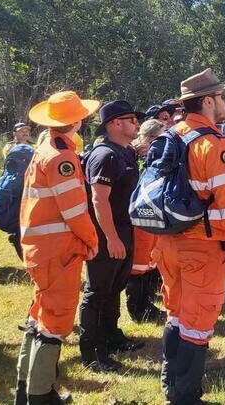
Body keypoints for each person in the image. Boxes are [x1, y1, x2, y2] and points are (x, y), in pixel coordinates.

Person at [155, 68, 225, 404]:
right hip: (201, 248)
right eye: (222, 97)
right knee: (199, 321)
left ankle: (170, 382)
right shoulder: (214, 146)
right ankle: (185, 396)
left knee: (177, 311)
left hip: (168, 242)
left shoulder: (173, 136)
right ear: (207, 101)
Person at [15, 91, 100, 405]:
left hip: (42, 249)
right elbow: (75, 210)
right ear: (75, 121)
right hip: (57, 252)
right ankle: (40, 396)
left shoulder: (45, 147)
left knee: (40, 317)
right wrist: (91, 240)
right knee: (55, 322)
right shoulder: (62, 157)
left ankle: (28, 390)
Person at [78, 101, 146, 372]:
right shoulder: (104, 155)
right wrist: (111, 238)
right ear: (115, 124)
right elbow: (99, 200)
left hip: (124, 229)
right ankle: (92, 351)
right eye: (131, 119)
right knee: (97, 291)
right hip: (108, 233)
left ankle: (111, 337)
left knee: (114, 287)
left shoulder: (124, 152)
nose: (136, 124)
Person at [126, 119, 167, 323]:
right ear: (150, 138)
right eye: (161, 135)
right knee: (139, 264)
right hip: (139, 217)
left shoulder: (156, 155)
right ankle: (137, 308)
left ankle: (146, 303)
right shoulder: (136, 155)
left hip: (152, 214)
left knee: (150, 262)